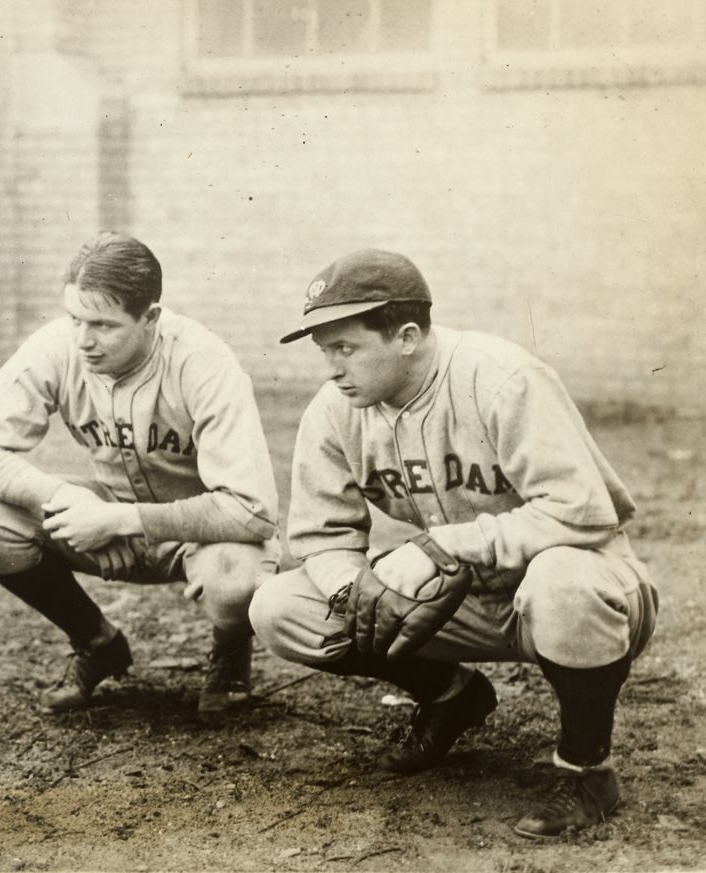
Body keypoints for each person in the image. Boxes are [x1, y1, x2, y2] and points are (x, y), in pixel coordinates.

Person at [250, 249, 658, 838]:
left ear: (407, 336)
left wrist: (445, 547)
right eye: (324, 352)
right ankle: (452, 697)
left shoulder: (501, 380)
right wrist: (355, 587)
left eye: (346, 348)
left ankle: (587, 770)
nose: (332, 369)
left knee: (563, 583)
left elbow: (584, 513)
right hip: (463, 601)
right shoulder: (336, 411)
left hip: (584, 589)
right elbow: (321, 536)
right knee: (282, 608)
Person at [0, 232, 280, 716]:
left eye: (103, 325)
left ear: (151, 318)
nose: (84, 339)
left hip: (200, 535)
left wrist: (125, 519)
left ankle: (230, 655)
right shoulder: (58, 347)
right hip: (100, 517)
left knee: (235, 579)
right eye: (74, 318)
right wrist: (66, 497)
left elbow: (252, 512)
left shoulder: (203, 362)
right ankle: (97, 642)